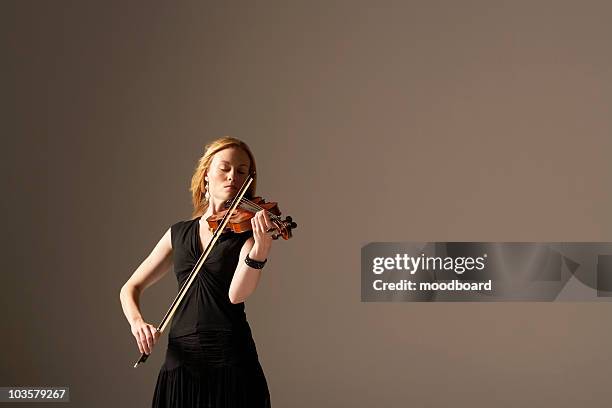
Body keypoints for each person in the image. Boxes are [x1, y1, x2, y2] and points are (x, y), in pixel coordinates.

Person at [119, 137, 273, 407]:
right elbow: (130, 288)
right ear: (205, 177)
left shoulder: (245, 235)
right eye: (224, 168)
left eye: (241, 171)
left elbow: (236, 295)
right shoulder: (178, 233)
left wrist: (260, 251)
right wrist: (137, 323)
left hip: (231, 360)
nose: (232, 177)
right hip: (181, 360)